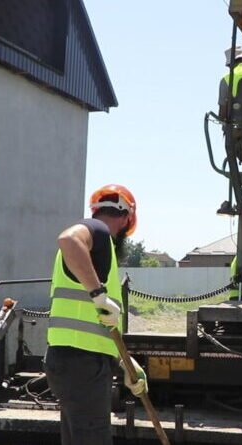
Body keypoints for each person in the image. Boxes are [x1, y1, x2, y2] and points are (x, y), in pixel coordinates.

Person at [43, 184, 148, 445]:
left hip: (73, 360)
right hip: (81, 363)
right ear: (125, 219)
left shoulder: (97, 253)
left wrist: (123, 362)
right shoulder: (98, 231)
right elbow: (68, 239)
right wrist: (98, 294)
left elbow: (96, 321)